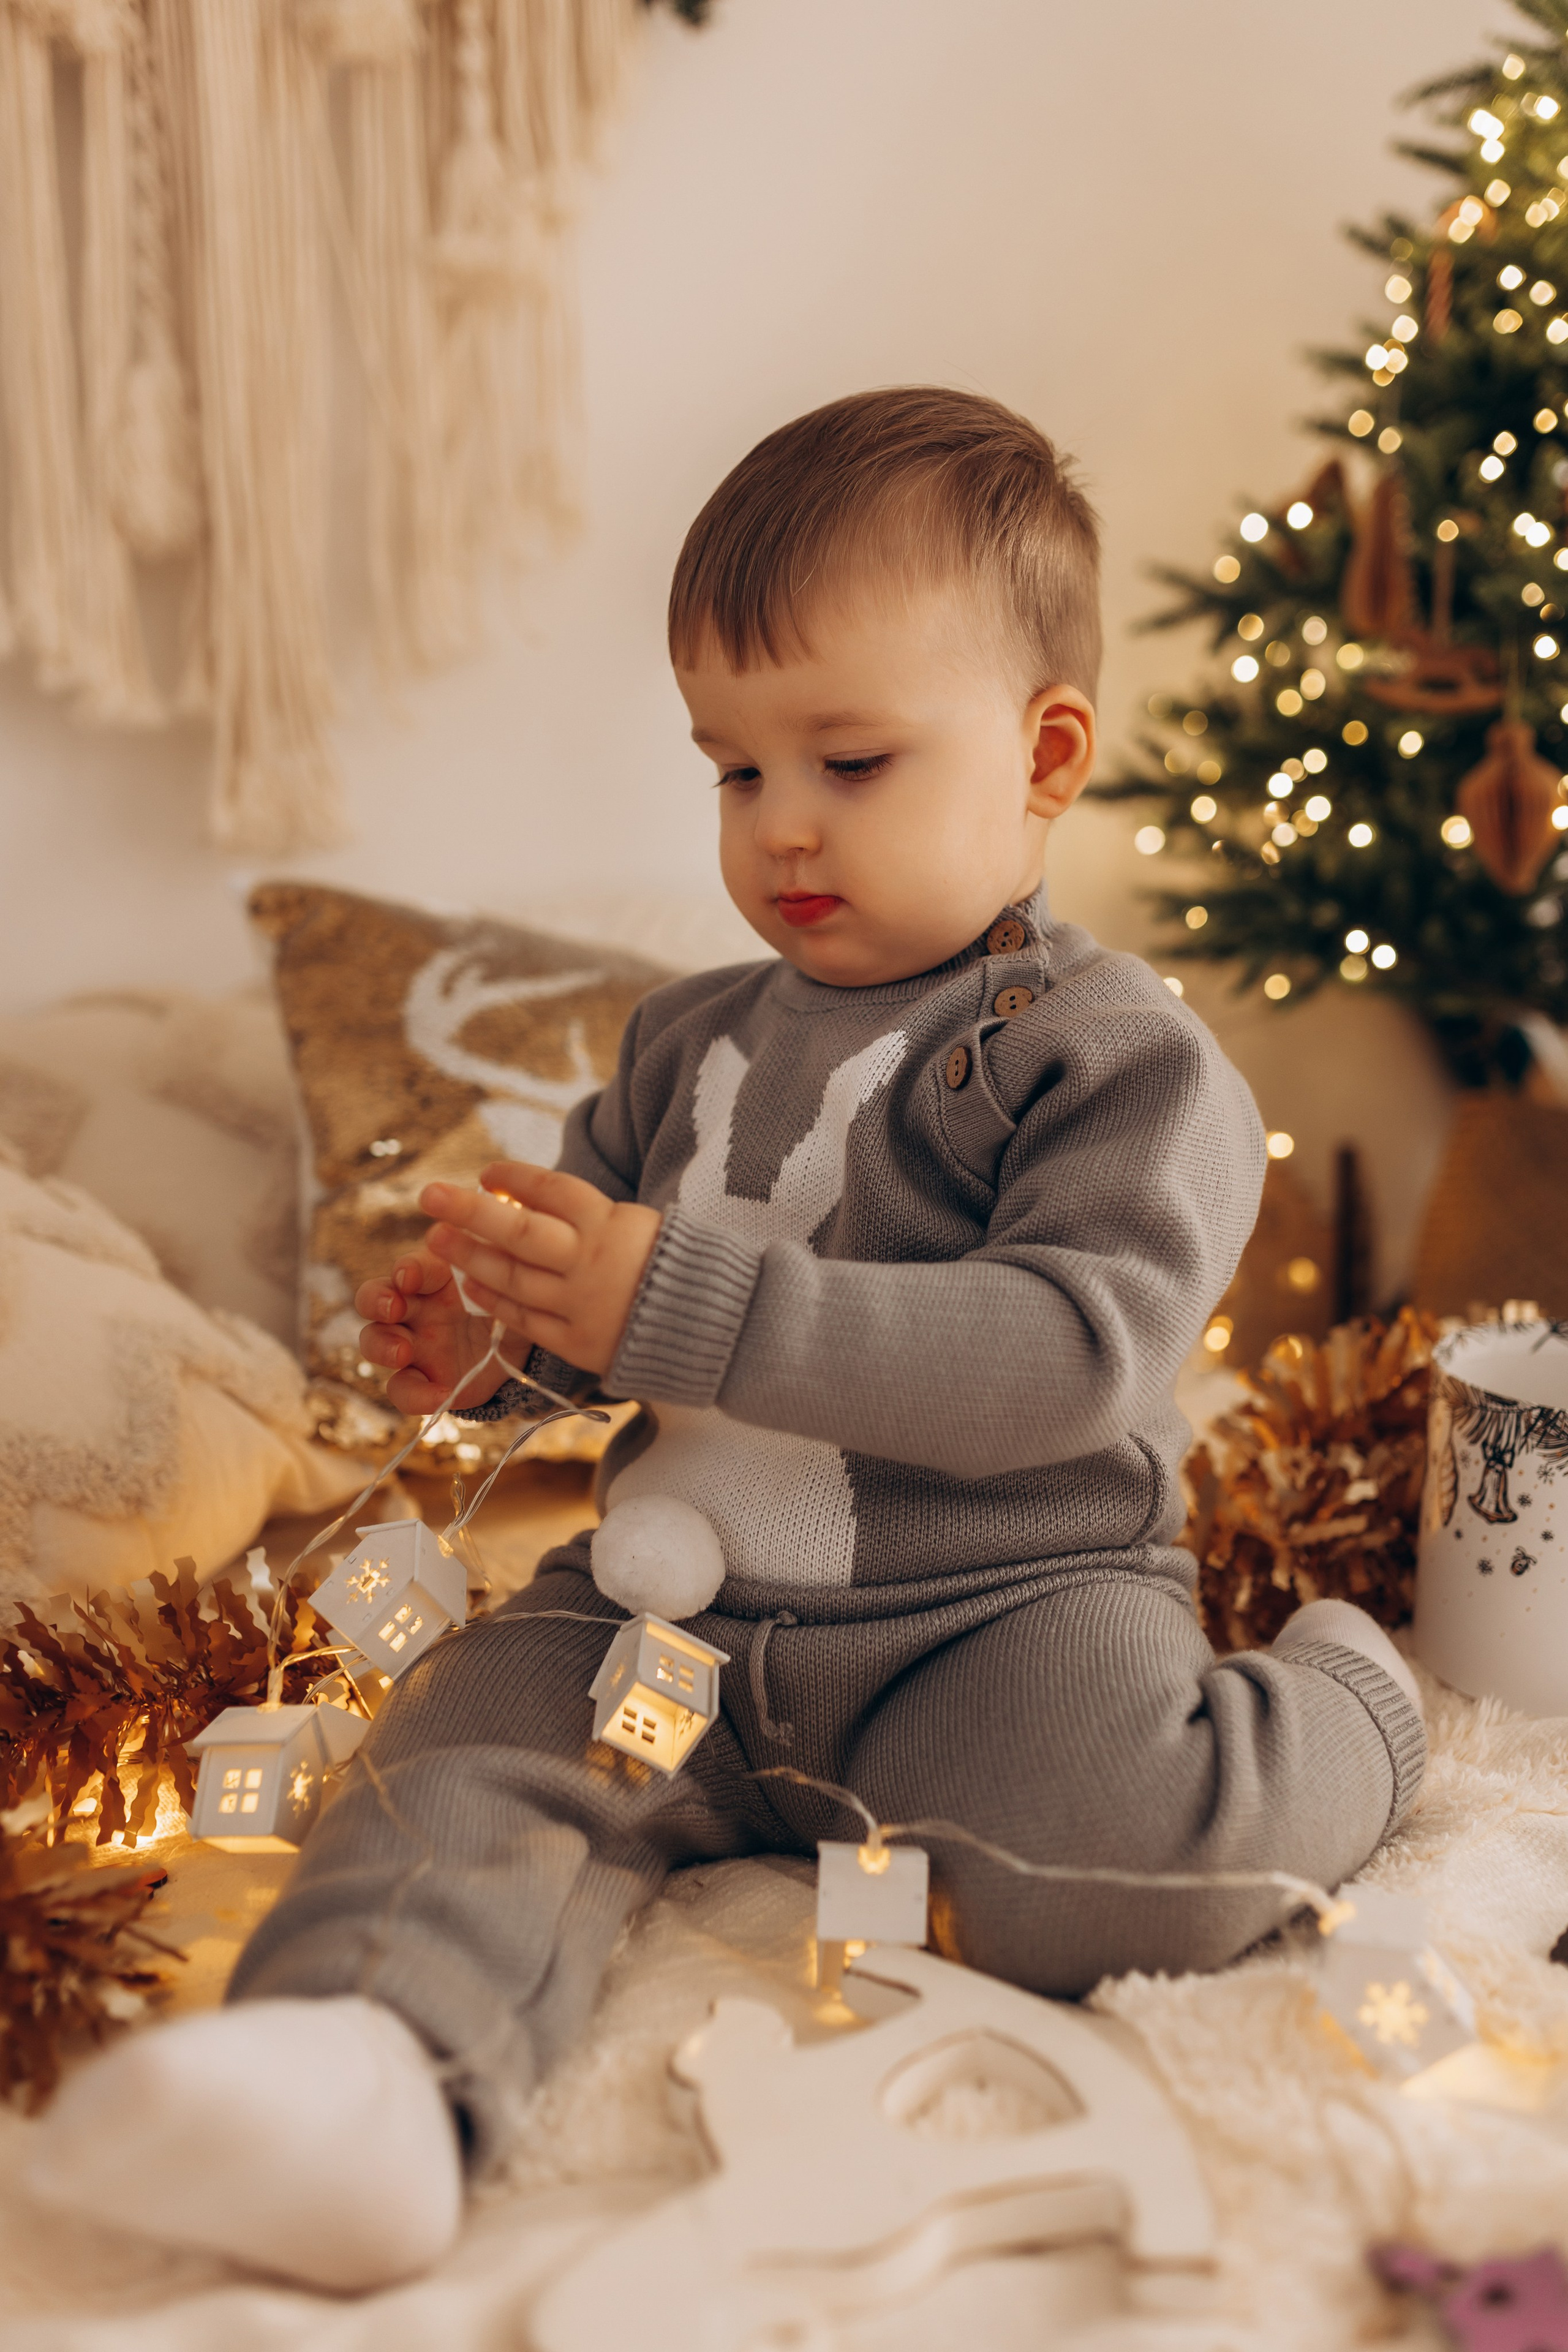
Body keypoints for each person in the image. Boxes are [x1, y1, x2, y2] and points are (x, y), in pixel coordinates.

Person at [28, 389, 1423, 2293]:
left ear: (1045, 754)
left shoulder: (1115, 1063)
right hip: (663, 1615)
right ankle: (371, 2081)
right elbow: (599, 1331)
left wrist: (669, 1295)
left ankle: (1350, 1709)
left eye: (848, 760)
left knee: (1121, 1855)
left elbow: (1061, 1355)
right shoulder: (685, 1040)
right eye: (732, 771)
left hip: (991, 1604)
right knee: (453, 1765)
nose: (780, 829)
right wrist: (493, 1342)